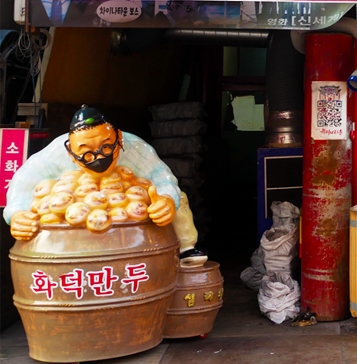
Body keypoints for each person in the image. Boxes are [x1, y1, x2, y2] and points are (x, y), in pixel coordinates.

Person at [4, 105, 207, 266]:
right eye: (87, 153)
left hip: (127, 208)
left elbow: (163, 179)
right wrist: (17, 214)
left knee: (178, 198)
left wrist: (166, 201)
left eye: (106, 147)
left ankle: (185, 248)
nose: (98, 158)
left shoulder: (136, 148)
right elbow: (23, 181)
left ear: (119, 138)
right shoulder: (55, 152)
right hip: (76, 214)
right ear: (70, 152)